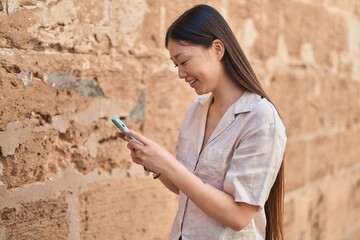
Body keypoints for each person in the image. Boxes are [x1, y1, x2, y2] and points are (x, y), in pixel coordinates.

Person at [116, 4, 286, 240]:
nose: (180, 73)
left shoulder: (260, 118)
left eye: (183, 61)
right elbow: (185, 188)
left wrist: (167, 163)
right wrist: (153, 164)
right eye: (176, 65)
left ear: (217, 49)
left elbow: (239, 216)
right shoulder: (196, 112)